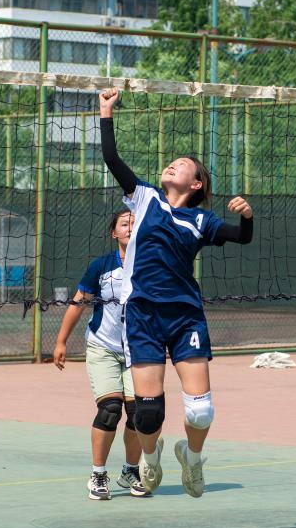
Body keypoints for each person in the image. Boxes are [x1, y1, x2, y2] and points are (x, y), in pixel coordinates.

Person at [99, 88, 254, 497]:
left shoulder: (201, 220)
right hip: (143, 315)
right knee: (148, 414)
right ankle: (151, 458)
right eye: (172, 162)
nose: (173, 164)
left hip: (185, 316)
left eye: (182, 164)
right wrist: (106, 112)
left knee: (201, 410)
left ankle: (193, 457)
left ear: (196, 182)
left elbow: (242, 237)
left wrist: (248, 217)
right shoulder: (145, 198)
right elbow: (112, 159)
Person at [53, 209, 147, 500]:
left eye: (134, 223)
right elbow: (78, 303)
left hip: (137, 349)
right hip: (103, 347)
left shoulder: (151, 265)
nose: (130, 227)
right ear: (113, 232)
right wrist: (61, 341)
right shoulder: (101, 267)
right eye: (124, 224)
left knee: (139, 413)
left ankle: (131, 470)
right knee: (110, 410)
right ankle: (98, 474)